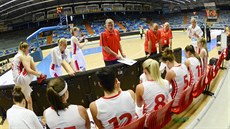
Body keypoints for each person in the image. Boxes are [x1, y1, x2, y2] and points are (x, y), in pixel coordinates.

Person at [12, 41, 47, 110]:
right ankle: (40, 77)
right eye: (28, 49)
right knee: (30, 57)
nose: (28, 51)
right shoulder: (22, 56)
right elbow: (28, 70)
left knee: (29, 101)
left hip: (17, 83)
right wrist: (38, 74)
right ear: (23, 49)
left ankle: (30, 116)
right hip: (21, 79)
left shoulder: (16, 56)